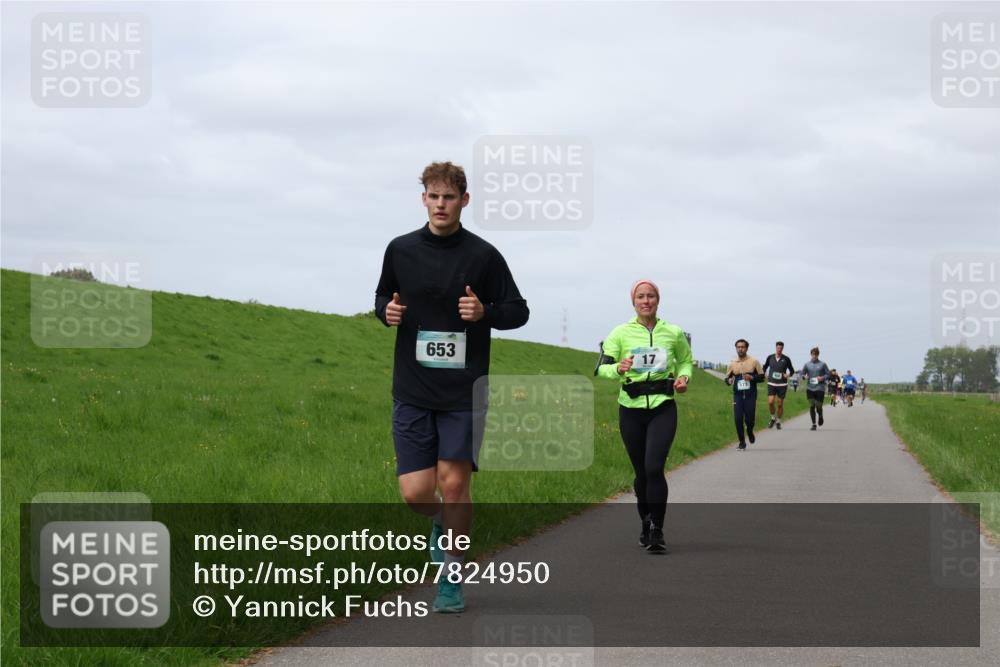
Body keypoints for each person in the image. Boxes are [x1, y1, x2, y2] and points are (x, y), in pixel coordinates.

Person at [375, 161, 529, 612]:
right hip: (413, 388)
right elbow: (383, 296)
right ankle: (441, 524)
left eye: (449, 197)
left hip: (464, 392)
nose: (441, 204)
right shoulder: (400, 249)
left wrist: (485, 313)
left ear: (464, 200)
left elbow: (518, 311)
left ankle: (452, 577)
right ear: (423, 199)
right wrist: (386, 312)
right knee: (416, 494)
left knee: (455, 485)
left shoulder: (484, 256)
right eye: (434, 196)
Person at [596, 280, 692, 553]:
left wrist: (684, 378)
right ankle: (646, 521)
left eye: (651, 296)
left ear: (658, 300)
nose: (646, 301)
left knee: (653, 468)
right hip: (630, 408)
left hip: (663, 406)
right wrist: (618, 368)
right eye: (641, 296)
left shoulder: (673, 332)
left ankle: (657, 530)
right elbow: (602, 368)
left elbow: (686, 361)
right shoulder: (620, 333)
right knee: (641, 472)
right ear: (633, 301)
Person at [725, 339, 764, 450]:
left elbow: (762, 377)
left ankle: (750, 430)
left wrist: (752, 377)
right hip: (737, 395)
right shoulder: (732, 364)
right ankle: (742, 442)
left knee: (749, 419)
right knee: (738, 418)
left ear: (746, 348)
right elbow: (727, 378)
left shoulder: (754, 361)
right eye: (738, 347)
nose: (740, 349)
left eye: (742, 347)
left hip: (751, 395)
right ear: (736, 348)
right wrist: (728, 381)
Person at [762, 341, 795, 430]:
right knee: (770, 402)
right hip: (771, 383)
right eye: (778, 348)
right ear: (775, 348)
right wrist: (764, 374)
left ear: (782, 349)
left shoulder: (786, 359)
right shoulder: (770, 357)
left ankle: (778, 421)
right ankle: (773, 418)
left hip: (782, 384)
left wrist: (788, 375)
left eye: (781, 348)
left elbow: (792, 370)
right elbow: (764, 367)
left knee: (780, 404)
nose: (779, 349)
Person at [801, 348, 831, 430]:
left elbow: (828, 374)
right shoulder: (807, 364)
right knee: (811, 405)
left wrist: (822, 378)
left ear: (818, 355)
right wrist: (804, 376)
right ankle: (814, 424)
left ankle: (820, 415)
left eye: (816, 354)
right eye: (813, 354)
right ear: (811, 354)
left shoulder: (823, 364)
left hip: (820, 388)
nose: (814, 356)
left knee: (818, 406)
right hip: (810, 388)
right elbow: (802, 374)